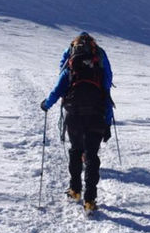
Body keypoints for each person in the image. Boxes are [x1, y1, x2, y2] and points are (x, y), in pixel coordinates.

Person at [40, 32, 113, 214]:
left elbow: (58, 89)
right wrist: (107, 122)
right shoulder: (99, 64)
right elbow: (106, 91)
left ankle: (75, 191)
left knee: (76, 151)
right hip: (96, 112)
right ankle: (90, 200)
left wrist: (46, 104)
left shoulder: (71, 65)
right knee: (92, 156)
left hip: (74, 113)